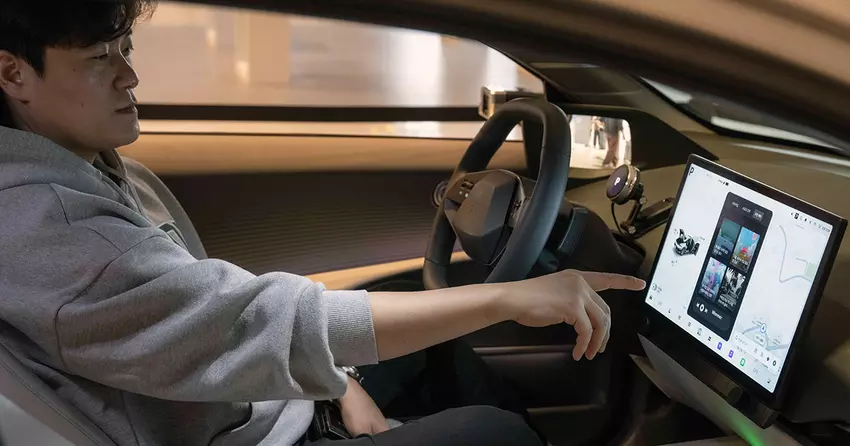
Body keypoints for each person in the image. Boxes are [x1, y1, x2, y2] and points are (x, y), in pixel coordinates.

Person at [0, 1, 646, 445]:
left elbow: (216, 316)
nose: (130, 75)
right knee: (495, 434)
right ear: (14, 73)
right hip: (252, 436)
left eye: (126, 49)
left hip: (257, 406)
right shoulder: (51, 230)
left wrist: (334, 385)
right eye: (99, 58)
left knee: (434, 336)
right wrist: (504, 297)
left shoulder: (100, 170)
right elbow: (245, 324)